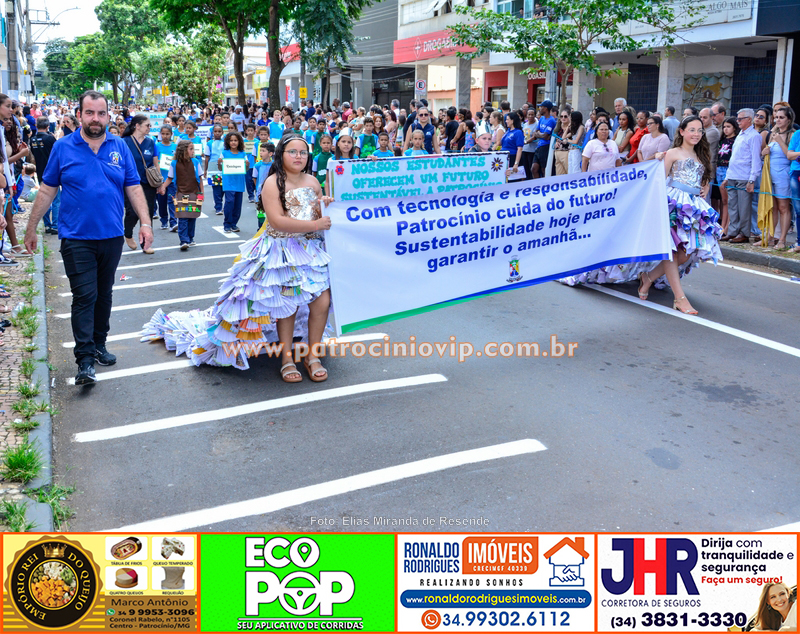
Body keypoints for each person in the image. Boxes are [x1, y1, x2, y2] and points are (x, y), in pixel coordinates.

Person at [141, 136, 333, 380]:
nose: (298, 156)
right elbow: (276, 221)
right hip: (280, 252)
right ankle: (286, 358)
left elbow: (319, 212)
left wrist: (325, 204)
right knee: (288, 304)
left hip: (309, 250)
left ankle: (312, 355)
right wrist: (315, 222)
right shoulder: (273, 183)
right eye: (292, 152)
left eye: (303, 153)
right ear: (281, 155)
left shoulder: (314, 181)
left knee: (322, 300)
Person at [23, 90, 153, 385]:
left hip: (111, 236)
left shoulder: (119, 145)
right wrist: (32, 228)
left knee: (104, 293)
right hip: (76, 237)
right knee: (85, 295)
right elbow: (47, 189)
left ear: (109, 116)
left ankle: (99, 344)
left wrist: (145, 223)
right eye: (90, 113)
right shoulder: (63, 147)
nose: (96, 119)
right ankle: (84, 360)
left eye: (102, 113)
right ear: (79, 115)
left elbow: (133, 186)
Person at [638, 116, 722, 315]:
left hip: (693, 206)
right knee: (671, 249)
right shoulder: (673, 152)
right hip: (673, 202)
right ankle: (680, 298)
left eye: (699, 130)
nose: (696, 134)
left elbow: (703, 179)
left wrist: (706, 185)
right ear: (682, 131)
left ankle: (648, 278)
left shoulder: (702, 155)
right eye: (691, 129)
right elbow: (660, 179)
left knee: (686, 253)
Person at [721, 108, 762, 243]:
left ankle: (744, 232)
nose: (738, 121)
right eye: (737, 119)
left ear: (748, 120)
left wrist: (752, 180)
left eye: (740, 119)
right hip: (733, 174)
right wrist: (727, 177)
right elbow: (734, 157)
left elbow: (755, 159)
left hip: (744, 176)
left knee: (743, 207)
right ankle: (733, 231)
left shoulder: (754, 136)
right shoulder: (741, 134)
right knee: (733, 205)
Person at [121, 115, 158, 254]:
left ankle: (146, 244)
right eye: (147, 125)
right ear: (137, 126)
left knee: (148, 212)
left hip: (148, 182)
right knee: (132, 212)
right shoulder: (124, 142)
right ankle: (128, 233)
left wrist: (159, 182)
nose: (150, 128)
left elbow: (155, 162)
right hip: (129, 183)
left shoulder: (150, 142)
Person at [157, 140, 203, 251]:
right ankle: (184, 240)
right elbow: (170, 178)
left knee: (192, 216)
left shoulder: (196, 162)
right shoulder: (174, 163)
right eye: (191, 149)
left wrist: (202, 193)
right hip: (181, 193)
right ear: (183, 150)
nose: (193, 151)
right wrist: (162, 187)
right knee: (182, 216)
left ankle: (191, 238)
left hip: (194, 193)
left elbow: (200, 179)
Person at [764, 106, 795, 249]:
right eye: (776, 117)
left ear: (789, 120)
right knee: (773, 207)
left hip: (784, 174)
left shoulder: (792, 135)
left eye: (781, 117)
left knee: (783, 207)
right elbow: (766, 151)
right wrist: (765, 150)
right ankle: (771, 237)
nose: (778, 120)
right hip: (771, 174)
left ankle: (782, 239)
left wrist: (780, 141)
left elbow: (790, 155)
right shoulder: (773, 133)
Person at [28, 116, 58, 235]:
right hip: (53, 171)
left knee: (45, 198)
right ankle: (55, 225)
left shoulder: (33, 139)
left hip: (41, 172)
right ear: (47, 126)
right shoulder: (50, 138)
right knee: (56, 199)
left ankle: (47, 225)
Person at [217, 130, 249, 233]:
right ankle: (227, 223)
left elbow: (246, 169)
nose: (233, 142)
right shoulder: (224, 153)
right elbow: (219, 168)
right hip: (228, 182)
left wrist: (247, 165)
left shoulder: (243, 154)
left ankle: (234, 223)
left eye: (235, 140)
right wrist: (219, 163)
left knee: (237, 204)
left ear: (239, 141)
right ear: (228, 142)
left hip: (239, 182)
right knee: (229, 202)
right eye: (231, 140)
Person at [715, 116, 739, 235]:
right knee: (723, 200)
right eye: (724, 127)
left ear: (734, 128)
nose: (725, 129)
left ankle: (727, 226)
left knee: (729, 200)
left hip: (728, 170)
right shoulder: (722, 141)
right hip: (719, 169)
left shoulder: (736, 141)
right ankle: (722, 224)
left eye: (728, 127)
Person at [154, 125, 178, 232]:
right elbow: (154, 161)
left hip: (172, 180)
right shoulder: (157, 146)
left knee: (172, 200)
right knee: (162, 201)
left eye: (167, 134)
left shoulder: (174, 147)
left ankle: (173, 222)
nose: (165, 136)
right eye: (163, 134)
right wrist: (159, 163)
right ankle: (164, 221)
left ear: (171, 134)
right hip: (161, 179)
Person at [204, 124, 225, 216]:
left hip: (224, 167)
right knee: (216, 188)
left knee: (223, 188)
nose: (217, 133)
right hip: (213, 167)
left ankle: (218, 201)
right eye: (215, 131)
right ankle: (218, 207)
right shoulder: (209, 143)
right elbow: (207, 157)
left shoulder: (225, 142)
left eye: (219, 131)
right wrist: (205, 170)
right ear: (212, 133)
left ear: (222, 132)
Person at [531, 100, 556, 178]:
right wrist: (540, 135)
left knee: (544, 169)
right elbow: (536, 132)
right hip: (539, 146)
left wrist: (540, 135)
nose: (540, 108)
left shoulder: (551, 120)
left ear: (545, 108)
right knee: (534, 169)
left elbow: (546, 136)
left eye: (541, 107)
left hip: (546, 147)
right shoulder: (541, 119)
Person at [502, 112, 525, 178]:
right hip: (504, 156)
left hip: (512, 156)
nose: (506, 121)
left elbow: (519, 149)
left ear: (512, 120)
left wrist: (516, 163)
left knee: (512, 178)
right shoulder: (508, 131)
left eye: (507, 119)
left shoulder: (518, 132)